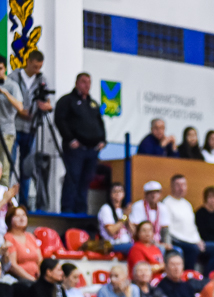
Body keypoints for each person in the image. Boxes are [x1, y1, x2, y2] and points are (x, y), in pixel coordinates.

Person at [54, 73, 106, 214]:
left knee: (86, 179)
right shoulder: (67, 100)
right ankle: (68, 209)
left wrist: (102, 140)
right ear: (77, 83)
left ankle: (81, 210)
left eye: (89, 82)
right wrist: (70, 139)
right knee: (73, 177)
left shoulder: (93, 104)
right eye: (83, 82)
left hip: (92, 149)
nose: (87, 85)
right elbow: (60, 120)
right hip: (75, 148)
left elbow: (100, 123)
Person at [9, 50, 52, 208]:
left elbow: (47, 101)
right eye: (35, 66)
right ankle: (6, 198)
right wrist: (20, 111)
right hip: (14, 127)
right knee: (10, 163)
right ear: (28, 62)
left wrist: (46, 106)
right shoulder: (14, 77)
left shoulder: (42, 80)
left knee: (27, 167)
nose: (37, 70)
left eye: (39, 67)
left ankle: (24, 203)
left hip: (32, 129)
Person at [162, 174, 204, 270]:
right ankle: (188, 276)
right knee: (193, 249)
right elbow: (167, 228)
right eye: (178, 185)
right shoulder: (166, 203)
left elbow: (192, 226)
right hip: (177, 240)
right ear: (172, 187)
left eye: (184, 185)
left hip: (192, 240)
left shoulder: (187, 204)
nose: (181, 188)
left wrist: (198, 240)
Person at [0, 55, 23, 189]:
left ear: (5, 69)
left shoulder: (12, 86)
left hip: (6, 131)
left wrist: (5, 93)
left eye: (0, 69)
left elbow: (20, 107)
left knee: (4, 167)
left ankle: (3, 196)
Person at [129, 181, 172, 249]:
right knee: (160, 249)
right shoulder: (138, 206)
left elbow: (165, 230)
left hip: (158, 241)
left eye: (156, 193)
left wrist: (167, 244)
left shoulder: (163, 207)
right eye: (150, 193)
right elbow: (136, 229)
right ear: (145, 195)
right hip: (142, 242)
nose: (153, 195)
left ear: (160, 194)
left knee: (176, 251)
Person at [4, 206, 41, 283]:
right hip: (19, 279)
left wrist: (40, 277)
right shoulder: (8, 238)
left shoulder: (30, 236)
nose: (22, 218)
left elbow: (40, 260)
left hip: (36, 277)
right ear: (10, 220)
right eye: (17, 216)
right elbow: (12, 265)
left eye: (24, 215)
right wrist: (32, 280)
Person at [97, 183, 133, 255]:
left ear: (124, 194)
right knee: (135, 248)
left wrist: (128, 218)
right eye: (115, 191)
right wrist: (124, 216)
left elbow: (133, 232)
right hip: (112, 244)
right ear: (110, 194)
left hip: (127, 243)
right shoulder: (106, 208)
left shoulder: (123, 210)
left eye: (120, 191)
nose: (117, 193)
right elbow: (111, 231)